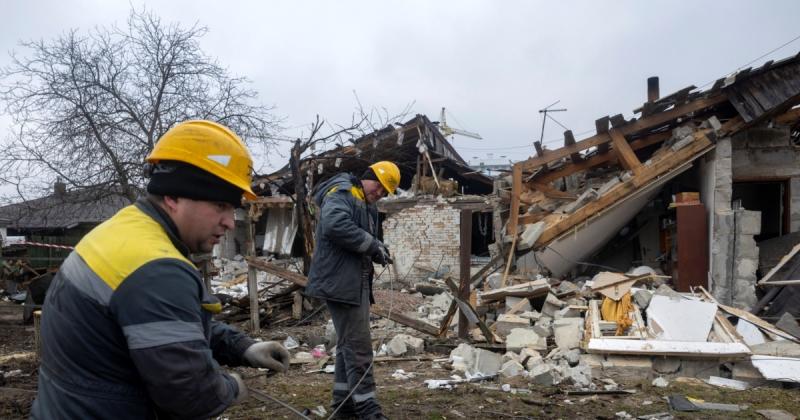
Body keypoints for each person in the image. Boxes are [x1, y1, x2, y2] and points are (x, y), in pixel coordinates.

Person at [31, 120, 290, 419]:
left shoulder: (123, 232)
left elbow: (167, 321)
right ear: (173, 196)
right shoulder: (157, 269)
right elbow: (191, 395)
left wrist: (242, 347)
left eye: (233, 208)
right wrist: (231, 387)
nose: (230, 222)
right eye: (220, 205)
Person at [305, 161, 400, 420]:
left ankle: (345, 405)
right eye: (378, 186)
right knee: (359, 347)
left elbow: (358, 238)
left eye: (385, 192)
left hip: (350, 282)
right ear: (368, 176)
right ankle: (368, 410)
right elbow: (335, 225)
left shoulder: (363, 202)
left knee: (348, 346)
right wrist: (371, 244)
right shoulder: (343, 193)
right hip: (342, 282)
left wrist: (377, 250)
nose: (379, 193)